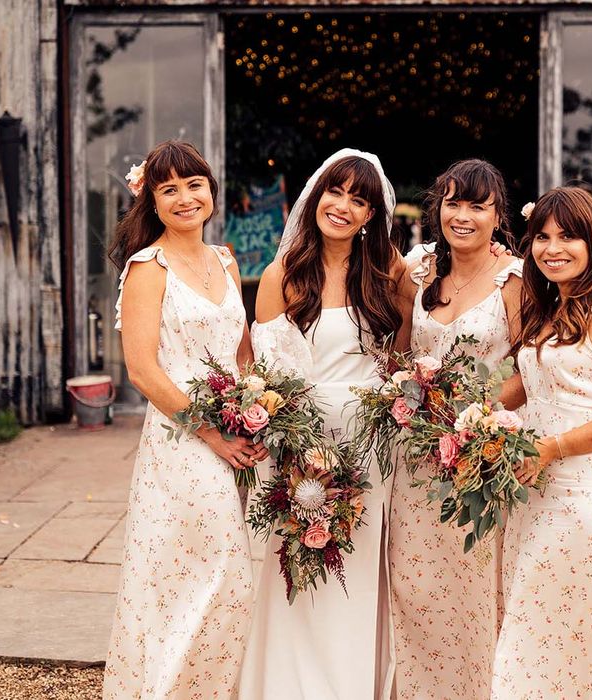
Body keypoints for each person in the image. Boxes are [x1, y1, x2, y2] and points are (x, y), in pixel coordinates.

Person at [238, 149, 406, 700]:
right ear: (316, 196)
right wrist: (288, 444)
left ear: (371, 217)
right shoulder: (280, 275)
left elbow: (403, 358)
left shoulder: (390, 275)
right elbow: (261, 374)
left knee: (352, 581)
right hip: (296, 447)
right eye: (336, 192)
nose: (343, 206)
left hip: (367, 450)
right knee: (293, 575)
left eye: (359, 200)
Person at [103, 141, 266, 698]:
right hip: (183, 441)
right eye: (168, 188)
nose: (184, 197)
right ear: (151, 199)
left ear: (210, 191)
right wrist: (212, 435)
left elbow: (240, 352)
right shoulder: (148, 267)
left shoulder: (225, 259)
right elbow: (143, 372)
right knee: (214, 570)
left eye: (193, 184)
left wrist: (260, 407)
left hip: (235, 435)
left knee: (214, 577)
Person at [491, 187, 592, 699]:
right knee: (539, 636)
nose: (552, 247)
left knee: (570, 642)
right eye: (542, 236)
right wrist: (467, 421)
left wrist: (552, 449)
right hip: (535, 494)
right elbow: (524, 389)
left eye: (568, 236)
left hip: (591, 498)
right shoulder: (547, 310)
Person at [389, 159, 523, 700]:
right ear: (437, 207)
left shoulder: (515, 277)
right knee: (413, 586)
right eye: (452, 203)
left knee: (473, 589)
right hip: (414, 459)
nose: (462, 216)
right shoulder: (418, 271)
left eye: (476, 205)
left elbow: (529, 371)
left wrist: (474, 417)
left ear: (497, 215)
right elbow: (398, 354)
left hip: (477, 456)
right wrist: (403, 399)